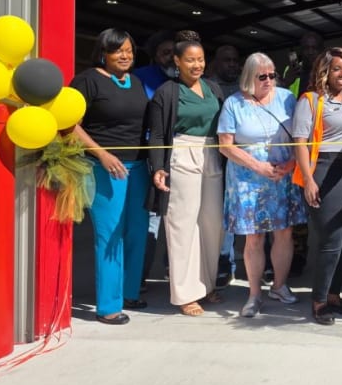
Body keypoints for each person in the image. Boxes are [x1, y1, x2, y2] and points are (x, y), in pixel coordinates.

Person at [70, 28, 151, 325]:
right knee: (110, 235)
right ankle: (108, 306)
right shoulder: (87, 81)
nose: (125, 55)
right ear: (103, 53)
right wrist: (102, 154)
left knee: (138, 231)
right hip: (104, 168)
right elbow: (70, 124)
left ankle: (130, 292)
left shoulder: (136, 81)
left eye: (129, 50)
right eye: (118, 50)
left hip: (138, 167)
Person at [217, 53, 306, 318]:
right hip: (247, 178)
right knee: (254, 237)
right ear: (249, 77)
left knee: (284, 232)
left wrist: (291, 164)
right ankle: (254, 294)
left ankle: (279, 286)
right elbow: (225, 145)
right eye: (262, 76)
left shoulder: (287, 98)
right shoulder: (234, 103)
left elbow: (301, 136)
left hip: (282, 174)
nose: (269, 80)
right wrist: (258, 166)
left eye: (272, 75)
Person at [146, 30, 226, 317]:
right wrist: (158, 167)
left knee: (212, 223)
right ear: (177, 62)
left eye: (201, 59)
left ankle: (207, 284)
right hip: (182, 155)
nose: (197, 65)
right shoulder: (166, 92)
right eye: (190, 60)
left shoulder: (213, 88)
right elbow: (157, 135)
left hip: (212, 154)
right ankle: (185, 293)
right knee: (182, 224)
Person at [291, 47, 342, 325]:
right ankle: (320, 300)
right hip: (326, 170)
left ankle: (335, 295)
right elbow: (300, 142)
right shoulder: (311, 100)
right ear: (324, 71)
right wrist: (308, 179)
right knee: (332, 239)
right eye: (337, 68)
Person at [135, 30, 175, 290]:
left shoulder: (188, 78)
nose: (170, 57)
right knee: (151, 218)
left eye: (174, 52)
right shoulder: (141, 78)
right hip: (153, 155)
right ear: (155, 56)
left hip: (183, 156)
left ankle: (176, 275)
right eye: (165, 53)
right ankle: (138, 278)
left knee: (180, 218)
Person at [284, 31, 323, 277]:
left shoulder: (326, 74)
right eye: (305, 48)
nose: (309, 52)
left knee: (321, 205)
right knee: (297, 207)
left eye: (314, 47)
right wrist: (286, 80)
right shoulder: (292, 76)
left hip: (320, 148)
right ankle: (298, 255)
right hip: (294, 147)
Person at [206, 44, 242, 289]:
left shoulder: (245, 86)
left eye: (234, 60)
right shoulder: (207, 86)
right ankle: (223, 262)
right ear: (215, 63)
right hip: (215, 156)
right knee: (220, 212)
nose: (231, 64)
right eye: (226, 60)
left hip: (243, 156)